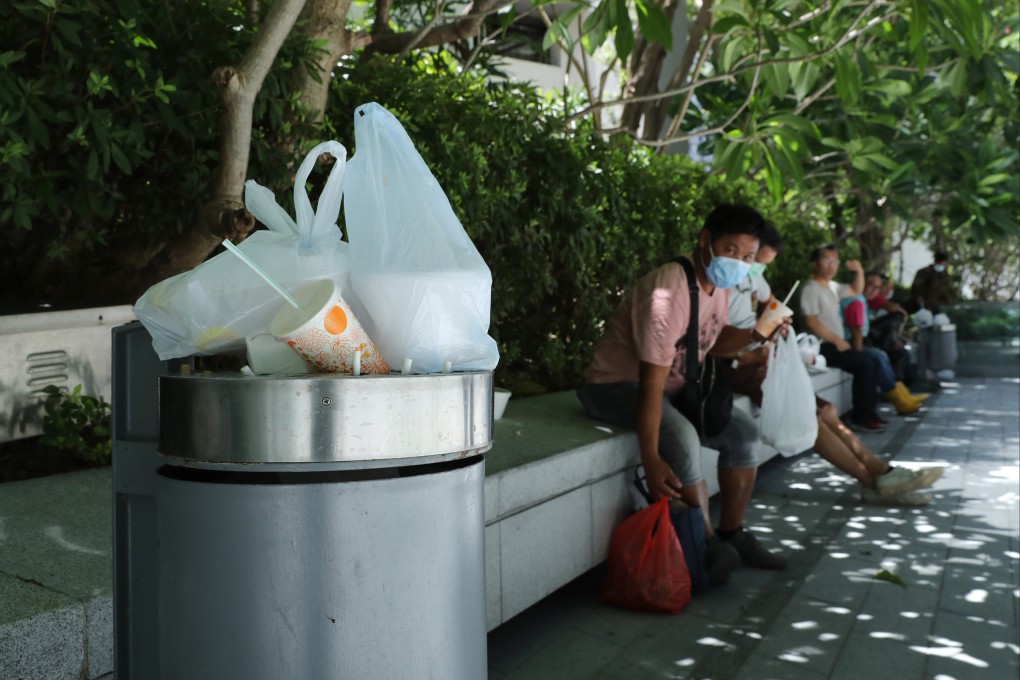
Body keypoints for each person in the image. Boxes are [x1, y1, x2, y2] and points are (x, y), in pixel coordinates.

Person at [577, 204, 787, 585]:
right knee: (684, 438)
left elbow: (715, 343)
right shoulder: (670, 291)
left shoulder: (718, 286)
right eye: (730, 249)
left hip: (678, 387)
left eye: (748, 257)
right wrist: (652, 456)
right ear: (705, 240)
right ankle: (703, 547)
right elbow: (651, 383)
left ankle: (731, 533)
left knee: (742, 433)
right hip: (615, 386)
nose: (738, 262)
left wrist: (761, 331)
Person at [726, 227, 941, 506]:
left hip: (763, 362)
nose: (754, 267)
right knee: (813, 416)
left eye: (760, 262)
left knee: (826, 409)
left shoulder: (756, 280)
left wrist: (774, 324)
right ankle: (874, 480)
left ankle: (881, 471)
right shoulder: (723, 284)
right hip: (739, 367)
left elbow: (770, 306)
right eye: (753, 261)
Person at [799, 244, 921, 430]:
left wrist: (859, 271)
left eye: (835, 261)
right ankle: (862, 417)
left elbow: (856, 290)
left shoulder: (832, 287)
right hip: (822, 346)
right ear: (814, 264)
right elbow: (810, 321)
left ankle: (869, 413)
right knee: (866, 364)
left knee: (871, 362)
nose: (831, 266)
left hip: (836, 344)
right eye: (826, 261)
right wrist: (837, 340)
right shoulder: (811, 289)